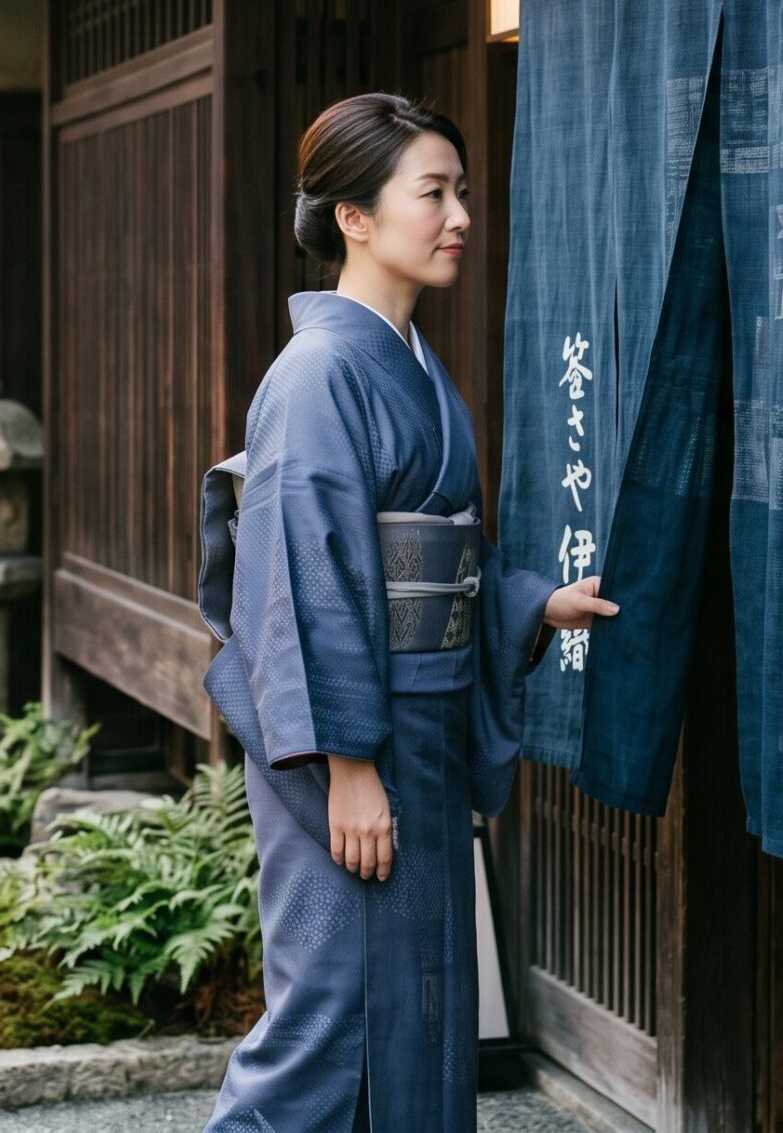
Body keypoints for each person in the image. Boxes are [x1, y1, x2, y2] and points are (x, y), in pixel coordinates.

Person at [199, 93, 619, 1133]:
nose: (458, 215)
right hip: (344, 749)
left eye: (461, 192)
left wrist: (530, 601)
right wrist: (345, 766)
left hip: (418, 736)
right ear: (353, 215)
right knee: (333, 1010)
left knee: (425, 1002)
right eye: (432, 192)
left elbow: (447, 558)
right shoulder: (319, 374)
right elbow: (304, 582)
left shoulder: (419, 373)